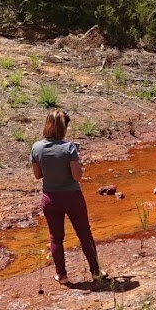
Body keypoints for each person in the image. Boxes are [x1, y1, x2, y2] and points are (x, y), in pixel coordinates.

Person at [30, 109, 103, 285]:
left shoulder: (37, 147)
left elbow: (38, 175)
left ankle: (62, 275)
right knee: (84, 234)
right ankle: (95, 272)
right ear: (64, 127)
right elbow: (77, 176)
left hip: (50, 198)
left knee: (56, 237)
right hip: (72, 197)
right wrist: (77, 159)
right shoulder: (69, 148)